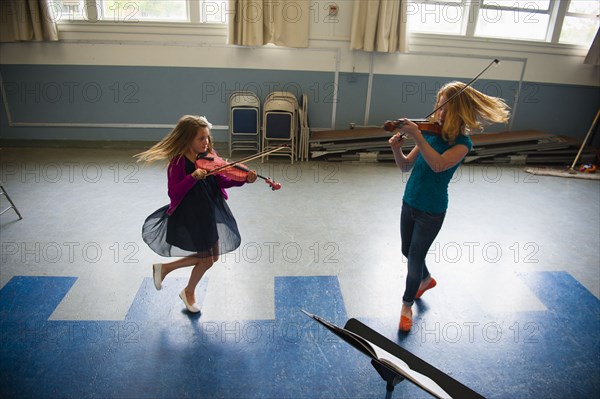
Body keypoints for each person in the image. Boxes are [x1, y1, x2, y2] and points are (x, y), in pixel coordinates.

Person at [388, 82, 510, 332]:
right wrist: (396, 150)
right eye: (439, 105)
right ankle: (425, 279)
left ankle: (406, 305)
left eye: (446, 107)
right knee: (406, 250)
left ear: (459, 110)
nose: (439, 112)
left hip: (431, 210)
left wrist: (419, 136)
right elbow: (405, 167)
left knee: (414, 257)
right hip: (409, 200)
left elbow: (438, 165)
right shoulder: (431, 133)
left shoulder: (463, 143)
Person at [135, 115, 257, 313]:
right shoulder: (178, 162)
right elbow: (173, 192)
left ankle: (165, 269)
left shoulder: (208, 156)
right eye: (201, 138)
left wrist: (243, 179)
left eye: (207, 137)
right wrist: (192, 177)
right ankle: (188, 291)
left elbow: (221, 180)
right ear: (188, 139)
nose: (206, 142)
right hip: (191, 213)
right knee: (206, 259)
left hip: (207, 209)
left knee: (213, 257)